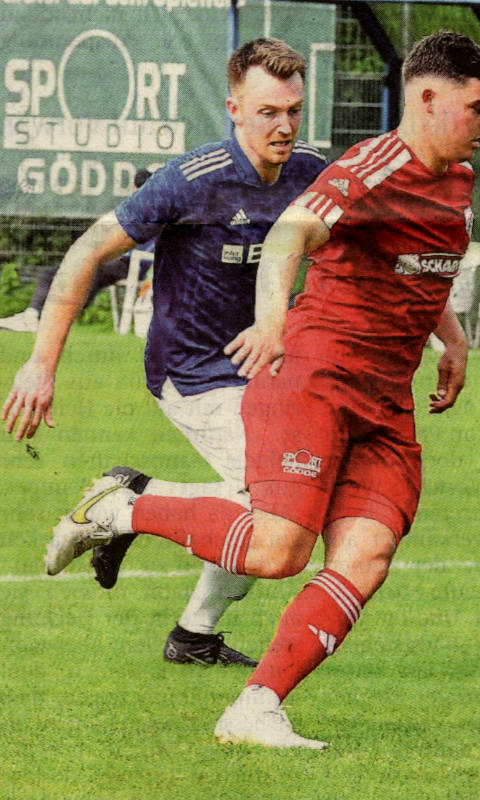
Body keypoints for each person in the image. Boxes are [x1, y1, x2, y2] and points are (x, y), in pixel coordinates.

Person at [37, 31, 480, 749]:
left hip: (378, 400)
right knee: (278, 542)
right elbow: (287, 237)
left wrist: (455, 340)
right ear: (429, 99)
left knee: (363, 556)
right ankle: (125, 509)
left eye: (292, 110)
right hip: (261, 375)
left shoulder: (432, 176)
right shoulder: (332, 169)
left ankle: (252, 701)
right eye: (478, 107)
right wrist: (271, 320)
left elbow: (416, 258)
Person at [2, 38, 326, 668]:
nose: (284, 125)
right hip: (193, 372)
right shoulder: (192, 180)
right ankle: (123, 508)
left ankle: (193, 631)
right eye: (267, 112)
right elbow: (86, 252)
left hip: (268, 374)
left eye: (292, 109)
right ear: (234, 108)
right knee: (278, 506)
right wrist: (40, 364)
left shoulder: (313, 170)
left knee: (285, 507)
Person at [0, 169, 154, 333]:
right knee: (49, 273)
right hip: (109, 257)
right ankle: (31, 315)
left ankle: (56, 320)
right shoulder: (128, 209)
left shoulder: (155, 212)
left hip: (129, 263)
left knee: (89, 273)